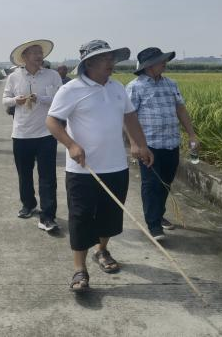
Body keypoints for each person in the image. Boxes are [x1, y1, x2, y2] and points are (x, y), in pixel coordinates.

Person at [47, 40, 153, 293]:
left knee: (109, 216)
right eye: (105, 58)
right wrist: (71, 145)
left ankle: (102, 250)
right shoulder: (71, 90)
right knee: (81, 218)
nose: (111, 63)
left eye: (112, 57)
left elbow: (129, 116)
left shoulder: (117, 88)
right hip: (83, 169)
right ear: (89, 63)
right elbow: (52, 122)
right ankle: (79, 269)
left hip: (116, 165)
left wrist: (140, 144)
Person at [126, 47, 200, 240]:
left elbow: (181, 109)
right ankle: (153, 225)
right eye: (161, 61)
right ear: (149, 65)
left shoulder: (171, 84)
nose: (164, 63)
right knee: (151, 184)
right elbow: (128, 117)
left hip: (171, 142)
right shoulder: (135, 87)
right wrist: (134, 144)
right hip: (148, 145)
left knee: (165, 183)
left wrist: (191, 134)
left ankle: (158, 214)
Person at [2, 39, 63, 233]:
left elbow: (61, 99)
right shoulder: (14, 77)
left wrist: (41, 98)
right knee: (24, 174)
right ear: (24, 57)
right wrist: (16, 100)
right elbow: (5, 100)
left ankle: (48, 216)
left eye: (40, 52)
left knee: (48, 177)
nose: (39, 56)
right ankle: (28, 204)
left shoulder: (52, 75)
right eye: (34, 52)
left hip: (46, 133)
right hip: (21, 133)